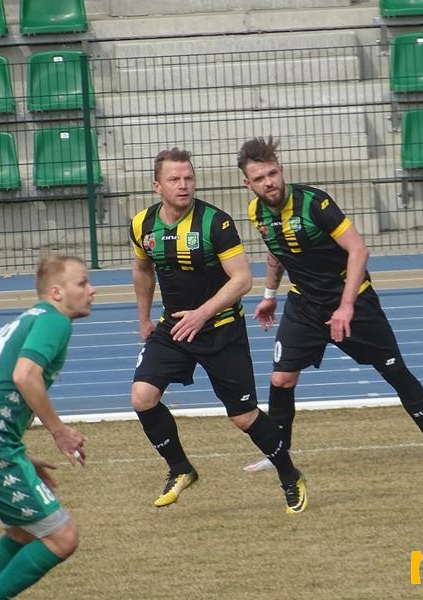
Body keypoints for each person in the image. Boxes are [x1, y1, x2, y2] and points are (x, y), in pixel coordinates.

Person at [235, 136, 423, 474]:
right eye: (259, 178)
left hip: (353, 300)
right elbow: (276, 251)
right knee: (281, 379)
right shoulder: (256, 212)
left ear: (281, 170)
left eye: (272, 173)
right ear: (248, 183)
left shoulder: (315, 204)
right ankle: (278, 453)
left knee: (392, 369)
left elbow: (358, 249)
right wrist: (269, 295)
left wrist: (345, 306)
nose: (269, 182)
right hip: (304, 304)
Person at [129, 147, 307, 514]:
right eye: (174, 179)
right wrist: (144, 319)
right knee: (142, 397)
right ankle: (181, 469)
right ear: (157, 186)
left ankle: (290, 476)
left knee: (243, 417)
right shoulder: (142, 224)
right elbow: (143, 270)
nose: (183, 185)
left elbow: (242, 279)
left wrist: (202, 313)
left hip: (221, 330)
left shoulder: (215, 223)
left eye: (188, 178)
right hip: (174, 327)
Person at [0, 255, 94, 600]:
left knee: (22, 533)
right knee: (63, 537)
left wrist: (19, 454)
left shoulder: (30, 318)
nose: (92, 290)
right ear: (56, 292)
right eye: (82, 283)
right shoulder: (55, 321)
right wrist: (59, 431)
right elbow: (24, 376)